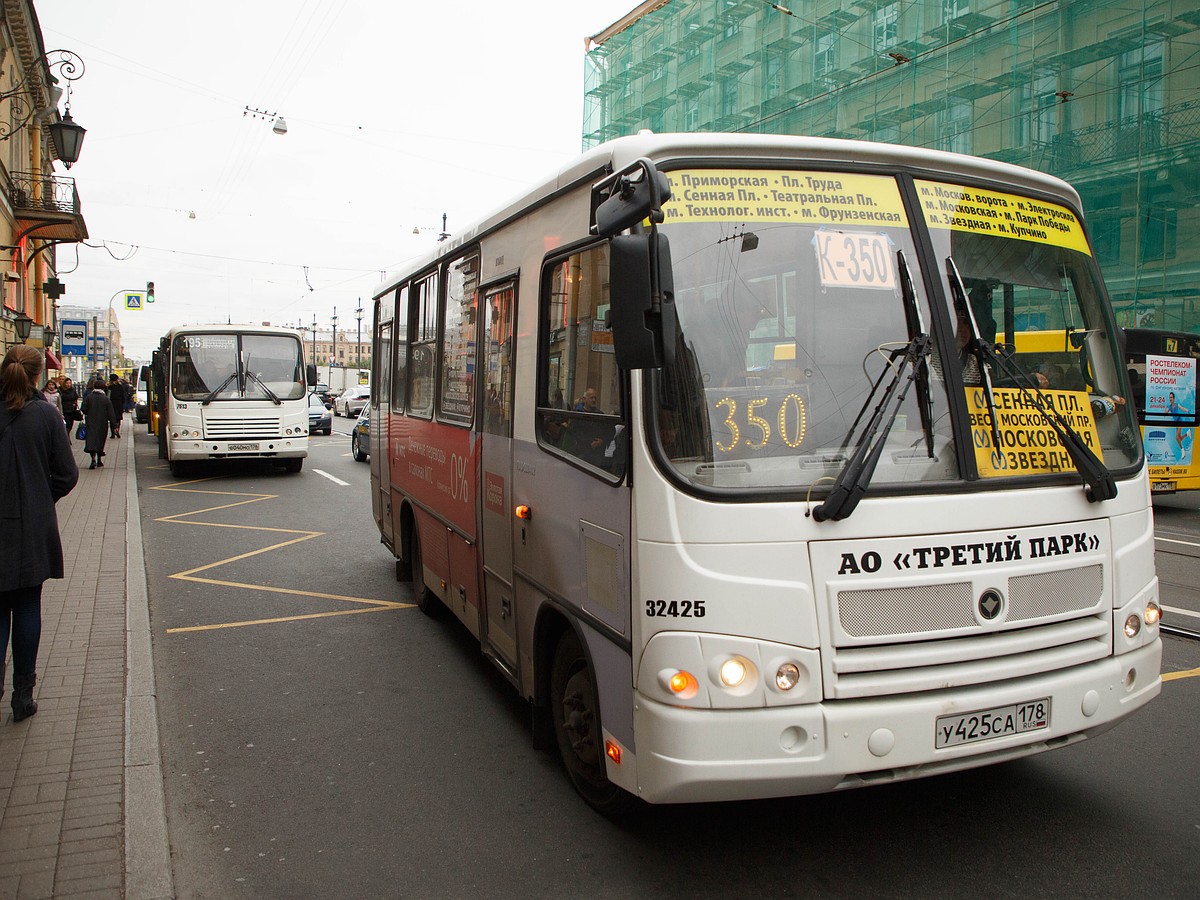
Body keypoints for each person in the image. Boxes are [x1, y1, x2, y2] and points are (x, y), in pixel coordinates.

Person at [0, 346, 79, 722]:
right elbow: (67, 475)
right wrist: (39, 499)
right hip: (31, 527)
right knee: (28, 606)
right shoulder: (46, 415)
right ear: (36, 376)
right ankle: (23, 697)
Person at [81, 378, 115, 469]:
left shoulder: (89, 397)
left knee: (91, 441)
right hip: (102, 423)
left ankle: (93, 459)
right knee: (100, 440)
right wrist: (114, 425)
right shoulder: (105, 399)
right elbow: (111, 413)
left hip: (91, 422)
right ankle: (99, 459)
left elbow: (83, 409)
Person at [107, 374, 127, 438]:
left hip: (111, 405)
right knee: (118, 419)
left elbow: (107, 397)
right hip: (119, 405)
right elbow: (123, 397)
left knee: (112, 419)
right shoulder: (120, 386)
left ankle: (113, 433)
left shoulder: (109, 387)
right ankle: (117, 431)